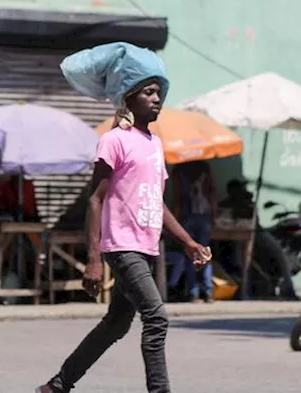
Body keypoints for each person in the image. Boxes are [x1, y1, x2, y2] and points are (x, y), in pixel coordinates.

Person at [37, 64, 209, 393]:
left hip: (146, 246)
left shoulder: (155, 144)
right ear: (129, 100)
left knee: (115, 324)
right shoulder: (114, 141)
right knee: (156, 318)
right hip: (122, 246)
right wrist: (93, 259)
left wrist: (188, 242)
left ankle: (58, 385)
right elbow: (95, 200)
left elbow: (156, 202)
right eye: (149, 93)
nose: (157, 99)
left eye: (159, 93)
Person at [171, 160, 217, 303]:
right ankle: (208, 292)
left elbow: (178, 198)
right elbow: (212, 194)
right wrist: (214, 217)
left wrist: (174, 223)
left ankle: (193, 292)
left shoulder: (179, 170)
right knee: (205, 254)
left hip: (187, 218)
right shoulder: (204, 168)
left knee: (190, 255)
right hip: (204, 217)